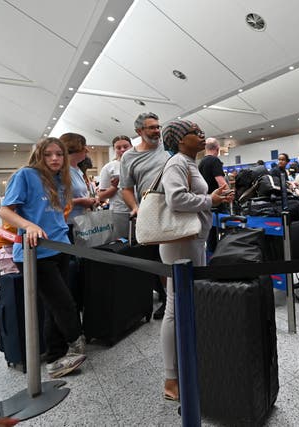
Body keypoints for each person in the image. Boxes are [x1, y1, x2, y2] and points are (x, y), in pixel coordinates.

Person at [0, 137, 86, 378]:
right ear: (39, 156)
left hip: (61, 248)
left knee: (53, 307)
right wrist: (29, 226)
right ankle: (75, 340)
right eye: (48, 154)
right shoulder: (25, 175)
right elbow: (5, 210)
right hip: (35, 253)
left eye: (59, 154)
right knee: (63, 304)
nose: (55, 159)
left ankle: (55, 357)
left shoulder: (60, 178)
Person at [159, 120, 234, 401]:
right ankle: (171, 378)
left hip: (193, 239)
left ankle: (185, 367)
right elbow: (176, 199)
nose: (201, 136)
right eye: (195, 133)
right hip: (181, 242)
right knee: (174, 307)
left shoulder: (188, 162)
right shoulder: (176, 163)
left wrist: (214, 197)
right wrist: (210, 201)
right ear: (179, 141)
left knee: (184, 305)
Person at [120, 112, 171, 320]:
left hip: (173, 210)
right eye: (151, 127)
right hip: (148, 214)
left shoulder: (168, 148)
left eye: (158, 127)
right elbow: (126, 188)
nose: (157, 131)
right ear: (139, 131)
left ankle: (175, 297)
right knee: (156, 260)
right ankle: (167, 298)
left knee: (172, 256)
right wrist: (135, 207)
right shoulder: (129, 157)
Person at [59, 133, 99, 239]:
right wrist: (81, 201)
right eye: (84, 146)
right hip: (68, 224)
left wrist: (91, 201)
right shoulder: (62, 171)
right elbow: (54, 201)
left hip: (81, 222)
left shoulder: (78, 170)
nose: (87, 150)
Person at [98, 135, 133, 235]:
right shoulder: (109, 168)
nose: (122, 150)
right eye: (118, 147)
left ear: (131, 146)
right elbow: (101, 195)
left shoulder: (139, 163)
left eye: (125, 146)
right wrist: (114, 187)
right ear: (114, 149)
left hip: (141, 209)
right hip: (119, 211)